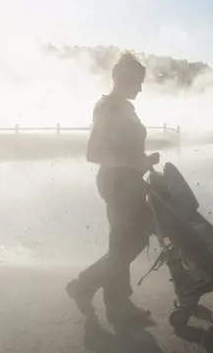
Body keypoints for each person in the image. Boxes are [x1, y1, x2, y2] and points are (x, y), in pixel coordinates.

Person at [66, 52, 160, 326]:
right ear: (123, 77)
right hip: (117, 184)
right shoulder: (107, 106)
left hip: (131, 182)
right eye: (138, 81)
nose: (141, 87)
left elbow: (128, 147)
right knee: (126, 242)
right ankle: (98, 292)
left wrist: (144, 162)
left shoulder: (128, 108)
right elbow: (93, 152)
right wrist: (135, 162)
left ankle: (100, 293)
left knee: (132, 240)